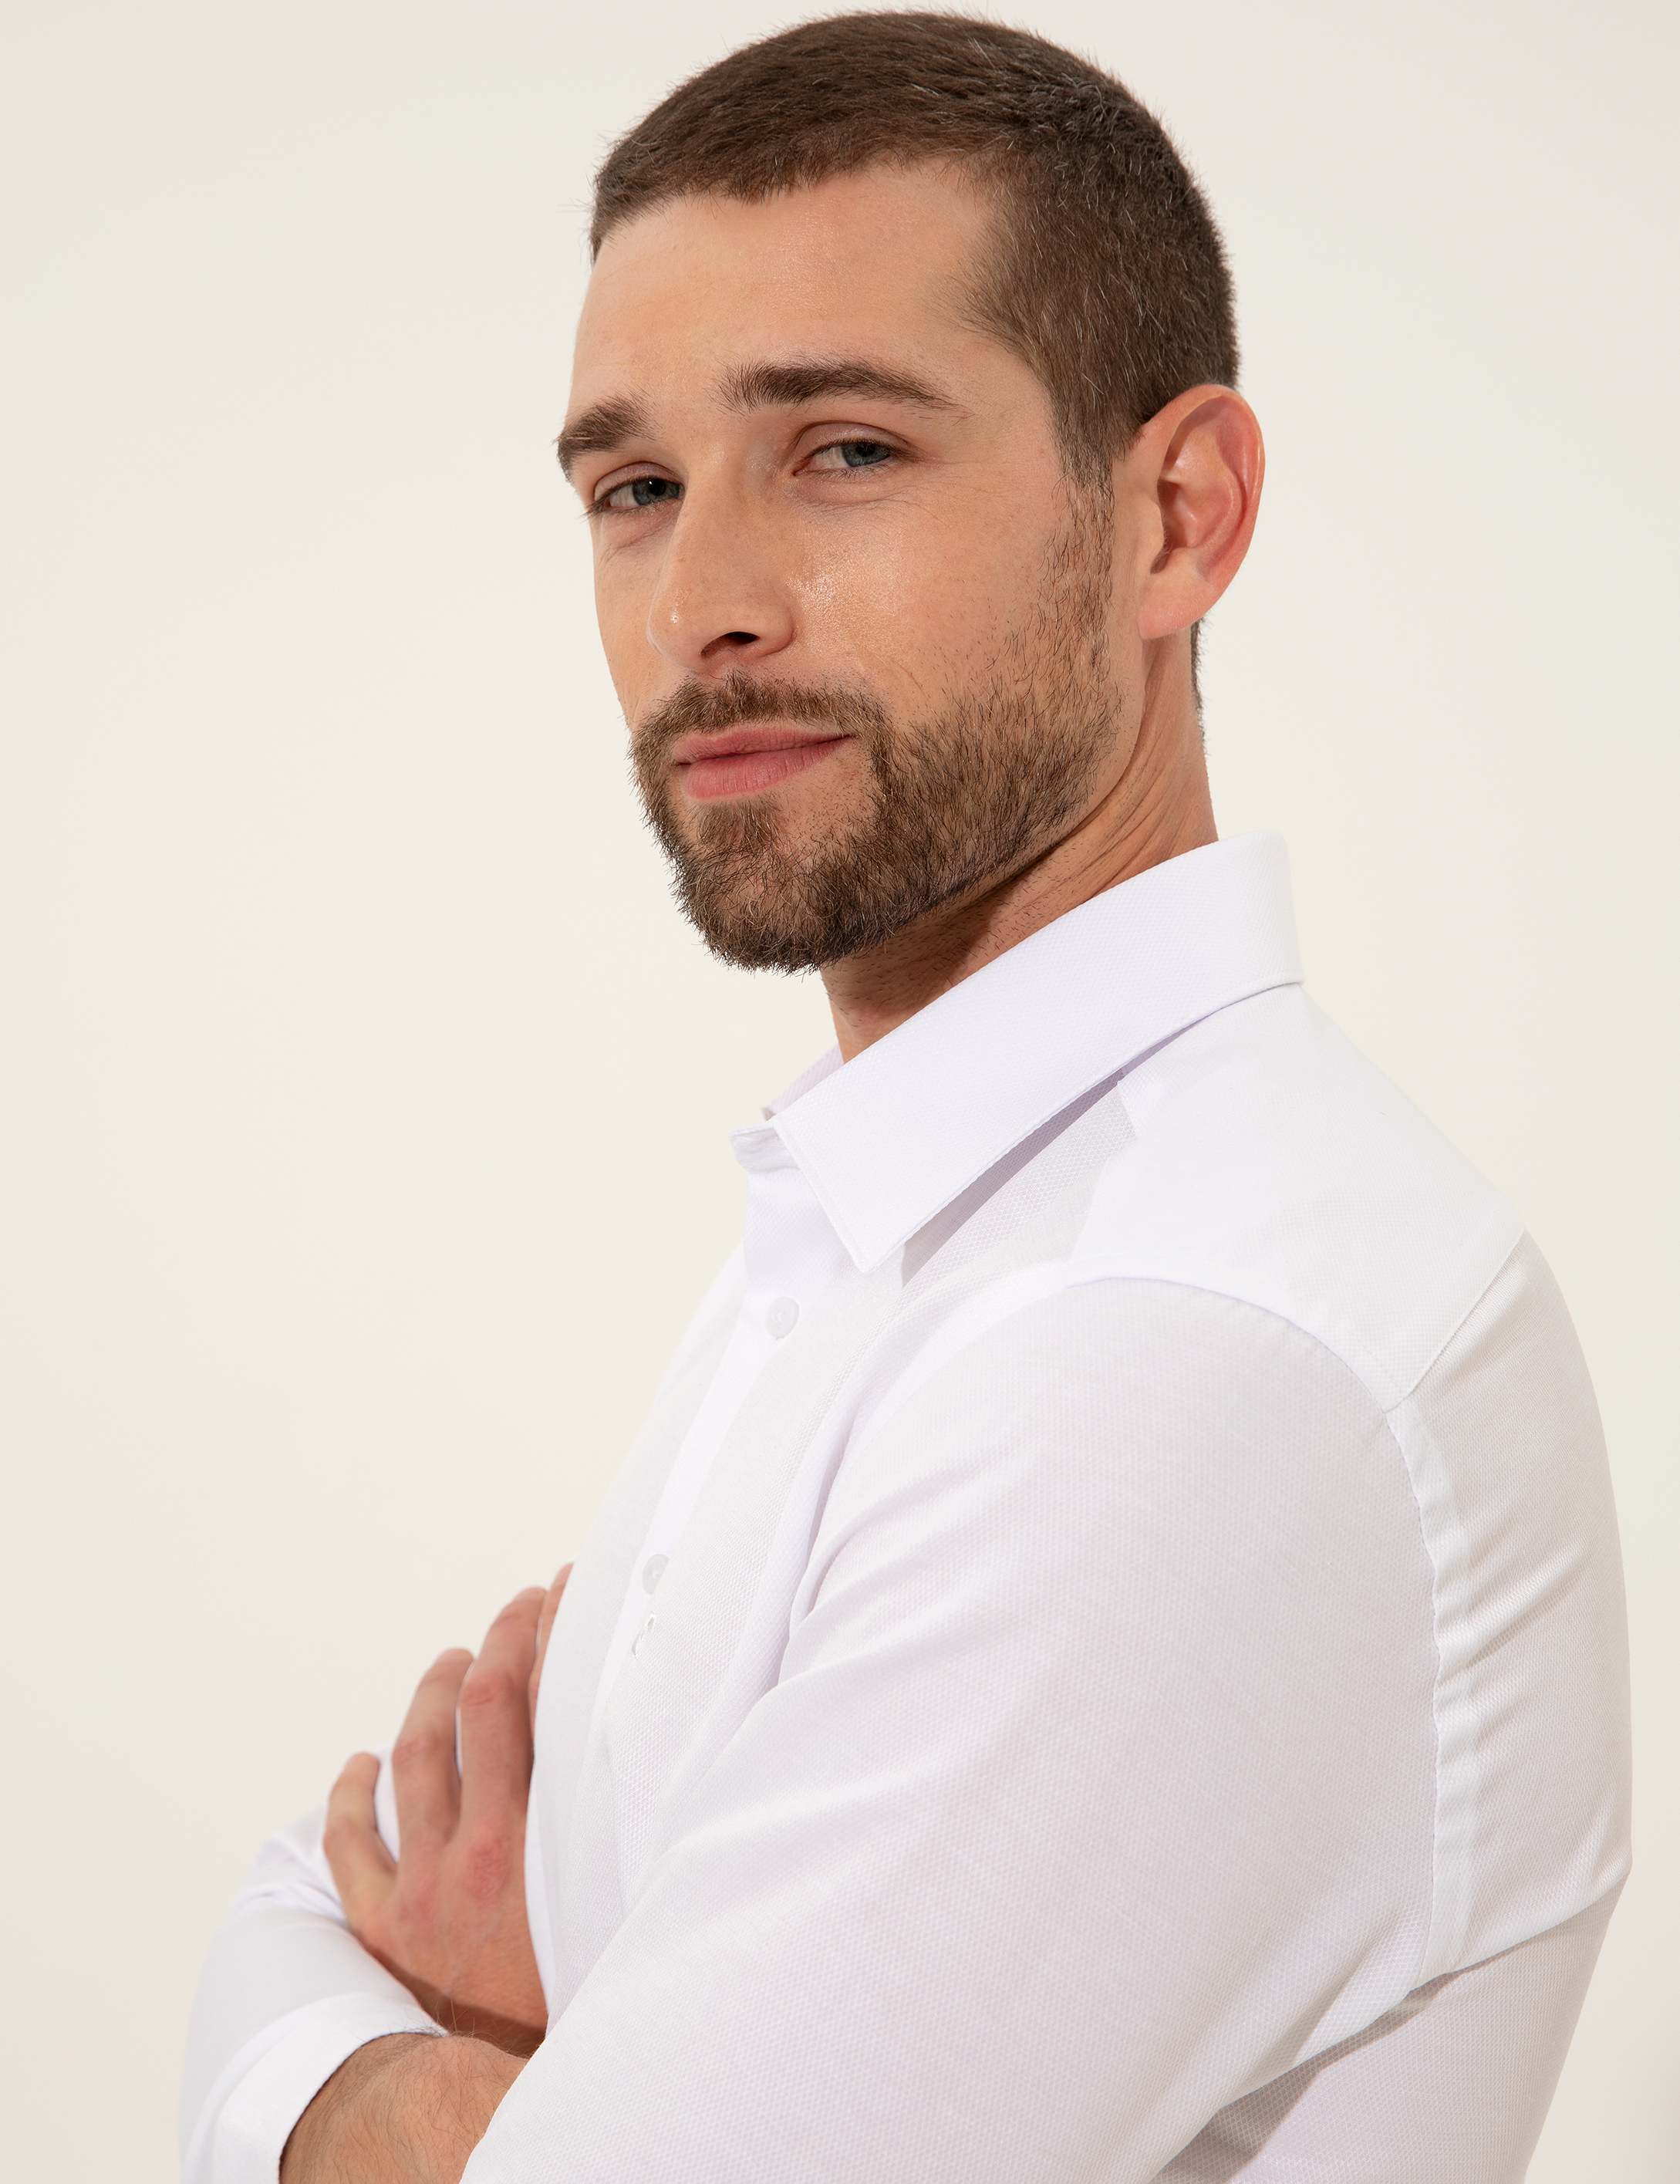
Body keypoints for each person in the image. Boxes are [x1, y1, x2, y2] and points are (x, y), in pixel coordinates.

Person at [180, 14, 1631, 2181]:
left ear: (1177, 516)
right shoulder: (908, 1235)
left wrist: (390, 2086)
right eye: (634, 490)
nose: (704, 603)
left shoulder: (1188, 1347)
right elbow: (318, 1902)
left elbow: (339, 1995)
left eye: (844, 450)